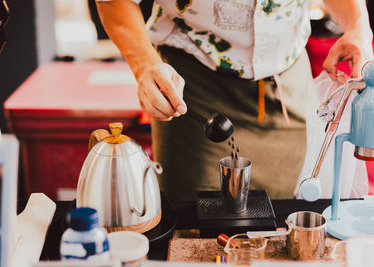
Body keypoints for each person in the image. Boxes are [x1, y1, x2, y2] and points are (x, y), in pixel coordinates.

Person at [95, 0, 373, 201]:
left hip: (288, 90)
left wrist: (358, 26)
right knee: (197, 233)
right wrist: (144, 66)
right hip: (195, 92)